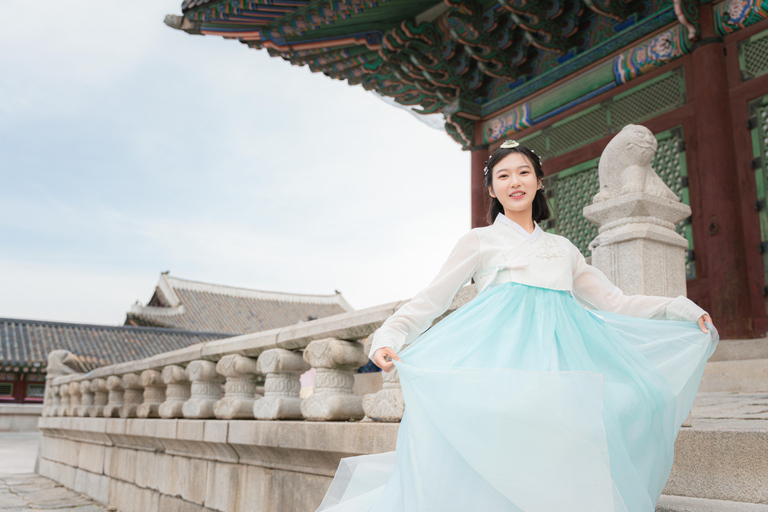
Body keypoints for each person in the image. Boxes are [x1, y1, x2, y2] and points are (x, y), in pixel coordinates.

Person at [315, 140, 718, 512]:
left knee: (587, 432)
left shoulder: (563, 248)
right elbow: (431, 299)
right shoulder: (479, 241)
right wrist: (389, 336)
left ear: (539, 181)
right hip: (500, 361)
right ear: (491, 190)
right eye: (503, 176)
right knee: (502, 451)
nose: (515, 182)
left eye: (524, 172)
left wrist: (679, 309)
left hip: (561, 361)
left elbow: (615, 301)